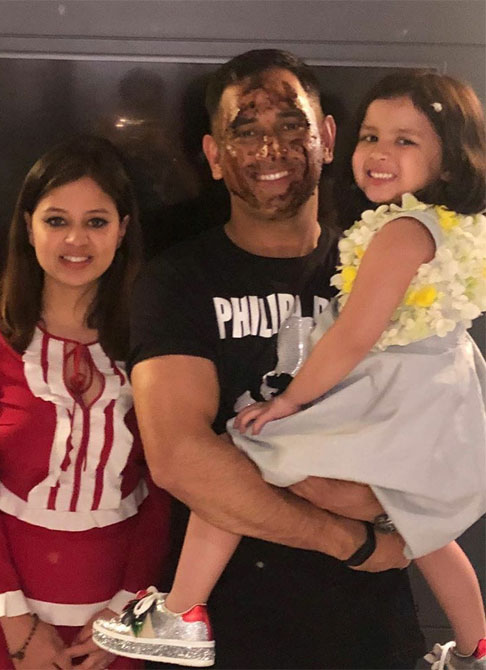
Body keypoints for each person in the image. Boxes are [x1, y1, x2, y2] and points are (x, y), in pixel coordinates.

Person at [96, 67, 486, 670]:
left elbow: (416, 414)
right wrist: (356, 538)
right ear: (214, 155)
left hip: (371, 635)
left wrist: (382, 498)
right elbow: (181, 458)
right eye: (245, 129)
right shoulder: (176, 282)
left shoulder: (379, 256)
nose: (270, 148)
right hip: (241, 633)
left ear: (327, 138)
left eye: (290, 125)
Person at [0, 136, 170, 670]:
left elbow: (166, 489)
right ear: (28, 226)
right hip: (8, 602)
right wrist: (18, 628)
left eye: (96, 221)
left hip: (122, 605)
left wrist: (125, 611)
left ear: (123, 229)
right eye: (55, 220)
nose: (76, 239)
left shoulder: (153, 336)